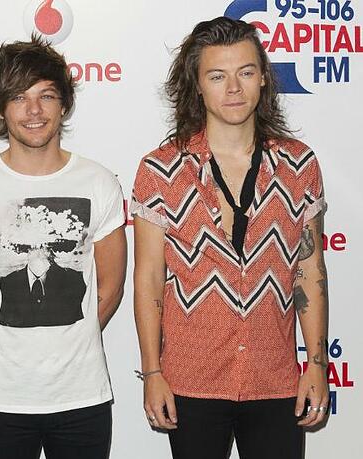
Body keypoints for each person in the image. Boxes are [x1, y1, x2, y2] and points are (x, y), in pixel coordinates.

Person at [131, 16, 329, 459]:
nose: (234, 88)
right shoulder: (160, 170)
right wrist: (152, 372)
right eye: (218, 76)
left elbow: (310, 271)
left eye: (246, 72)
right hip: (190, 380)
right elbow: (148, 280)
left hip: (274, 378)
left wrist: (317, 365)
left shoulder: (300, 165)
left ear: (263, 79)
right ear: (197, 86)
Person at [0, 35, 127, 459]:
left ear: (64, 104)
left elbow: (111, 287)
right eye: (19, 97)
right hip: (0, 397)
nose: (34, 111)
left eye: (46, 96)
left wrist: (71, 337)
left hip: (82, 396)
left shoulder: (99, 183)